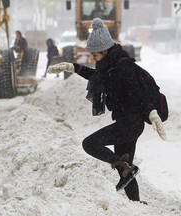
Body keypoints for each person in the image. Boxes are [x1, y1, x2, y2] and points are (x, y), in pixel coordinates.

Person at [46, 18, 166, 203]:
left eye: (94, 55)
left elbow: (138, 93)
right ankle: (136, 203)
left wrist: (152, 112)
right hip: (125, 122)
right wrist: (73, 67)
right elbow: (97, 77)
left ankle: (128, 174)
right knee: (126, 170)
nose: (93, 59)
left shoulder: (124, 67)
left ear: (104, 50)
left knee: (89, 144)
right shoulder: (109, 66)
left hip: (131, 123)